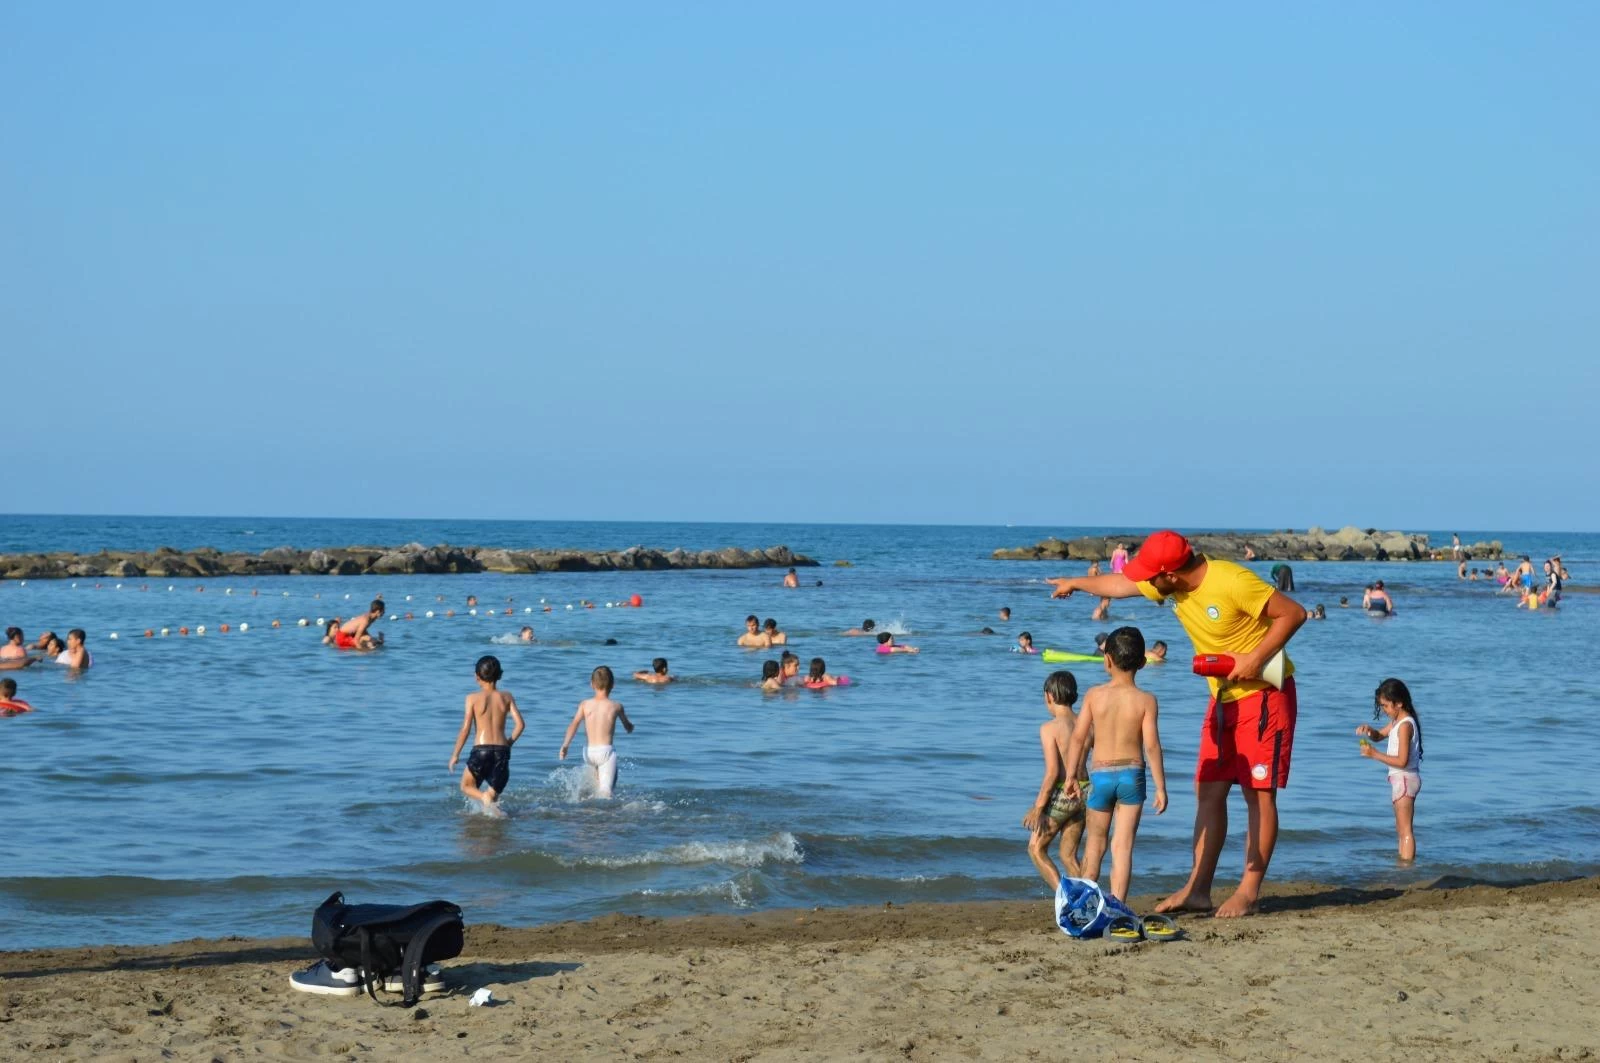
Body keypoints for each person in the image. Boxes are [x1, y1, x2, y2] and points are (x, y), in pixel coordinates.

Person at [1047, 529, 1305, 919]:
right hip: (1221, 700)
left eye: (1151, 575)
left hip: (1265, 696)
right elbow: (1120, 584)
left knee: (1259, 794)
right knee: (1209, 792)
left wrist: (1254, 658)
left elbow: (1293, 613)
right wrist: (1075, 583)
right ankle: (1198, 889)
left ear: (1169, 573)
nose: (1145, 581)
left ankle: (1248, 891)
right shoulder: (1174, 586)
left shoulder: (1232, 581)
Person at [1063, 627, 1167, 901]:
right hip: (1133, 774)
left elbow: (1078, 738)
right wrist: (1161, 787)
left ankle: (1084, 903)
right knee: (1122, 846)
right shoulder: (1147, 700)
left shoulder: (1094, 695)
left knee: (1095, 844)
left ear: (1107, 659)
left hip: (1101, 775)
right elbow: (1152, 746)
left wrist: (1071, 775)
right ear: (1143, 663)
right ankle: (1118, 906)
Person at [1022, 670, 1089, 891]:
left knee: (1035, 848)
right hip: (1086, 791)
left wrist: (1038, 807)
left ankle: (1066, 898)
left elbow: (1052, 772)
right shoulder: (1086, 724)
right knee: (1068, 856)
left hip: (1063, 793)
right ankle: (1088, 899)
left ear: (1049, 696)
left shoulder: (1050, 728)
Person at [446, 655, 525, 817]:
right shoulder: (507, 697)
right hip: (502, 751)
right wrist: (508, 743)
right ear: (499, 675)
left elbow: (465, 729)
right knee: (493, 801)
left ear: (477, 677)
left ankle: (483, 797)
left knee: (466, 787)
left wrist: (455, 755)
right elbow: (520, 725)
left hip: (481, 750)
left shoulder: (472, 698)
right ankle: (494, 833)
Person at [1357, 677, 1422, 861]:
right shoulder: (1397, 722)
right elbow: (1379, 736)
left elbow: (1402, 761)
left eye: (1386, 706)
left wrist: (1374, 755)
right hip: (1402, 779)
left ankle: (1406, 867)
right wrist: (1370, 731)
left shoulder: (1405, 726)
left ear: (1399, 703)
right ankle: (1403, 862)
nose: (1384, 710)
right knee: (1400, 828)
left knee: (1405, 830)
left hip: (1405, 778)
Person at [559, 666, 635, 799]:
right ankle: (604, 816)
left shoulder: (585, 704)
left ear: (591, 684)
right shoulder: (616, 706)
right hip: (606, 752)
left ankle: (586, 812)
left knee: (594, 790)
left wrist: (565, 745)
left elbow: (574, 725)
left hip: (588, 753)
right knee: (606, 792)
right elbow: (627, 726)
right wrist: (630, 727)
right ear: (613, 685)